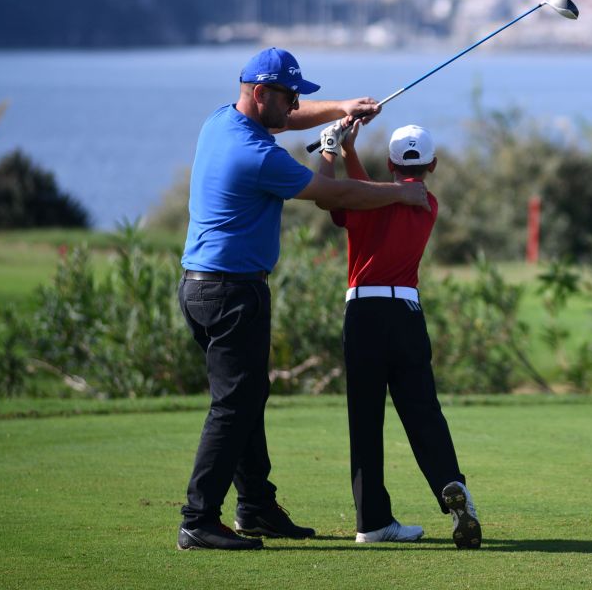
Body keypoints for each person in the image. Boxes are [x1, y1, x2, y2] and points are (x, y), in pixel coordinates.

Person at [177, 47, 430, 552]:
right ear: (260, 93)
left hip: (207, 287)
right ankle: (198, 518)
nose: (295, 107)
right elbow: (338, 196)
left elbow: (290, 122)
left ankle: (256, 507)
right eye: (288, 96)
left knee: (248, 395)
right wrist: (400, 194)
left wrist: (342, 109)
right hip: (230, 292)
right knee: (235, 402)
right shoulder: (258, 156)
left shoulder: (219, 122)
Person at [317, 118, 482, 549]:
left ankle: (371, 522)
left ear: (389, 162)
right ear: (434, 165)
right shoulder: (428, 204)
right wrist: (348, 150)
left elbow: (339, 197)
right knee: (423, 411)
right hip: (405, 312)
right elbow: (366, 192)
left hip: (363, 314)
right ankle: (450, 484)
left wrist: (335, 148)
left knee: (366, 421)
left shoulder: (369, 198)